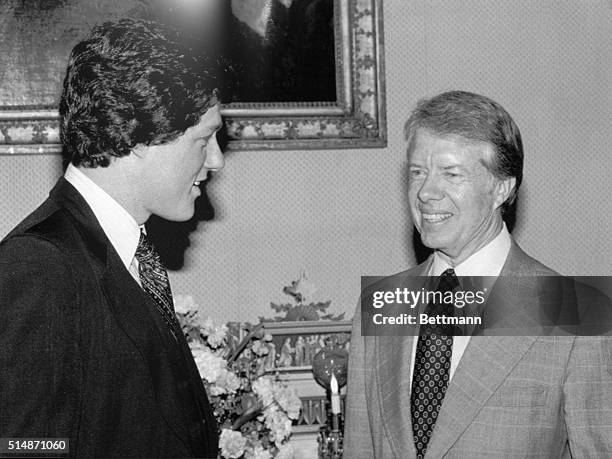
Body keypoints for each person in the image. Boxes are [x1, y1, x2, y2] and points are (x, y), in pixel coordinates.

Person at [344, 90, 612, 458]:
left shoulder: (574, 311)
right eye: (417, 172)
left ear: (502, 187)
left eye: (451, 174)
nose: (425, 192)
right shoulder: (381, 306)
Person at [0, 19, 224, 457]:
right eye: (204, 138)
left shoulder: (124, 252)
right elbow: (23, 448)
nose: (216, 159)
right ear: (141, 135)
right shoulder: (39, 267)